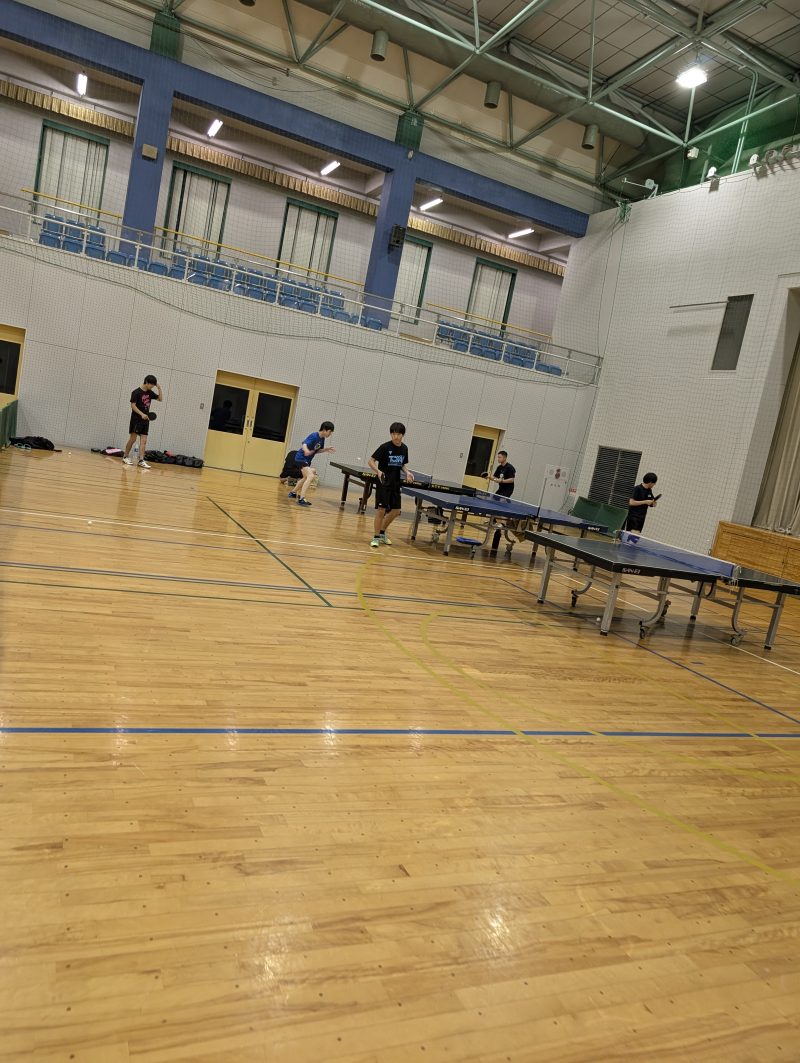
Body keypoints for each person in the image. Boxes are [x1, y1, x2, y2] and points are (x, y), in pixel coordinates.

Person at [368, 422, 414, 548]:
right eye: (393, 434)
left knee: (396, 511)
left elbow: (402, 464)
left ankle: (382, 532)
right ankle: (376, 537)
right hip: (383, 482)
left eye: (398, 434)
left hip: (395, 483)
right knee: (381, 510)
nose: (395, 436)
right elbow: (371, 461)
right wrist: (378, 471)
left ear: (402, 435)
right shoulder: (384, 447)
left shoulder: (404, 448)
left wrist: (407, 472)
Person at [288, 421, 335, 506]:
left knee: (306, 476)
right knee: (311, 476)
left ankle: (293, 493)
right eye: (330, 431)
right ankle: (301, 499)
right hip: (301, 458)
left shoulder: (322, 439)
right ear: (324, 429)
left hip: (307, 460)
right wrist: (306, 450)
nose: (330, 434)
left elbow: (317, 451)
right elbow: (304, 444)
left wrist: (326, 449)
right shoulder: (314, 435)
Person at [123, 374, 163, 468]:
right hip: (136, 419)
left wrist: (159, 388)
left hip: (145, 420)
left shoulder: (150, 393)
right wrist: (141, 414)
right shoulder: (136, 392)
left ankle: (141, 460)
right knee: (133, 439)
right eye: (151, 385)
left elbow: (160, 399)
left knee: (144, 441)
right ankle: (125, 456)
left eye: (153, 385)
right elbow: (133, 406)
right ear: (147, 382)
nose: (152, 387)